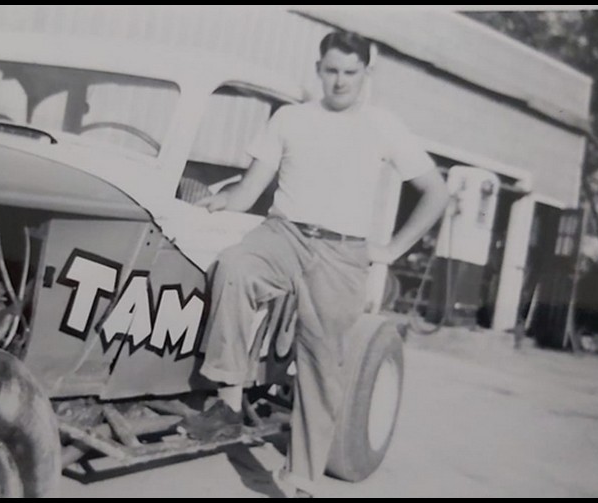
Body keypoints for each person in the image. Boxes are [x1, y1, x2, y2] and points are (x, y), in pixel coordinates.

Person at [181, 29, 450, 497]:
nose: (340, 82)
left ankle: (300, 481)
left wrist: (390, 251)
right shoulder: (289, 119)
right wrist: (215, 201)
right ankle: (226, 400)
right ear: (318, 70)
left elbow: (436, 193)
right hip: (284, 234)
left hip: (343, 254)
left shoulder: (383, 125)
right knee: (235, 266)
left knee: (323, 368)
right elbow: (249, 190)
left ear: (366, 74)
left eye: (350, 73)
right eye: (332, 72)